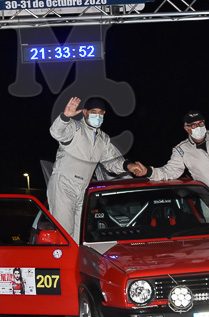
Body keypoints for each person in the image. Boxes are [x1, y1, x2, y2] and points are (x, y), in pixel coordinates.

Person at [135, 86, 209, 222]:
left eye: (201, 123)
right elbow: (169, 172)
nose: (198, 127)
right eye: (194, 125)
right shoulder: (182, 150)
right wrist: (148, 172)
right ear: (186, 128)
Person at [46, 96, 146, 241]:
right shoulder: (75, 128)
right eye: (93, 112)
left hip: (83, 188)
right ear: (85, 112)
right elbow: (56, 132)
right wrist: (65, 117)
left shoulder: (103, 138)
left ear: (104, 114)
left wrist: (129, 166)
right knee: (64, 234)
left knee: (80, 236)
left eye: (100, 112)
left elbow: (112, 161)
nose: (97, 116)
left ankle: (77, 256)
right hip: (64, 184)